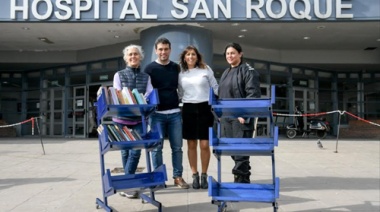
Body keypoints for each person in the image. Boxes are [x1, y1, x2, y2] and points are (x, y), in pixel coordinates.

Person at [144, 37, 189, 189]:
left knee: (177, 148)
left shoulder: (176, 68)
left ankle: (178, 177)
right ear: (156, 51)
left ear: (170, 50)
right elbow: (145, 92)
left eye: (166, 49)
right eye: (160, 49)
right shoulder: (149, 69)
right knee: (157, 148)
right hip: (156, 115)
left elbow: (181, 87)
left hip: (175, 113)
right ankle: (158, 178)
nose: (163, 52)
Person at [113, 44, 153, 198]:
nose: (133, 57)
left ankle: (127, 184)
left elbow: (149, 94)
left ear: (140, 57)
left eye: (136, 54)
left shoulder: (146, 77)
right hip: (121, 119)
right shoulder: (119, 75)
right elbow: (117, 95)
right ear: (126, 58)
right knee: (125, 151)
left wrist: (142, 101)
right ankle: (128, 184)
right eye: (130, 54)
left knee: (135, 151)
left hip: (139, 120)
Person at [218, 42, 261, 183]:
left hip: (240, 118)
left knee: (241, 150)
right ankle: (244, 177)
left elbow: (253, 94)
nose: (229, 56)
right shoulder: (226, 72)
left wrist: (245, 114)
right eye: (227, 54)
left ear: (240, 54)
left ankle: (240, 180)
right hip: (226, 118)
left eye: (232, 53)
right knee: (233, 150)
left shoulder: (248, 70)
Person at [178, 45, 218, 189]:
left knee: (204, 145)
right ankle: (194, 175)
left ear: (197, 56)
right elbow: (180, 92)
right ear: (184, 58)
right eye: (187, 54)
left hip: (205, 108)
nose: (190, 57)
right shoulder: (181, 73)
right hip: (188, 108)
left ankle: (204, 175)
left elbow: (215, 87)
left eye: (193, 54)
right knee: (191, 144)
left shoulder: (206, 69)